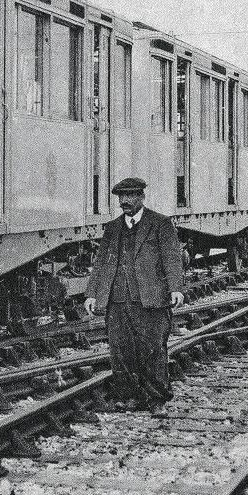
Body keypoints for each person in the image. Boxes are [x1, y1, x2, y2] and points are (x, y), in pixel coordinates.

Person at [90, 177, 186, 415]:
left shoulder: (160, 223)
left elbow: (172, 259)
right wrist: (92, 294)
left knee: (153, 349)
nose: (125, 201)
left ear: (142, 198)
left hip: (150, 299)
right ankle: (128, 396)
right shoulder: (112, 228)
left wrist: (175, 288)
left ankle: (156, 399)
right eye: (121, 197)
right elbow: (101, 263)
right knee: (120, 350)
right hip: (118, 299)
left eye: (130, 196)